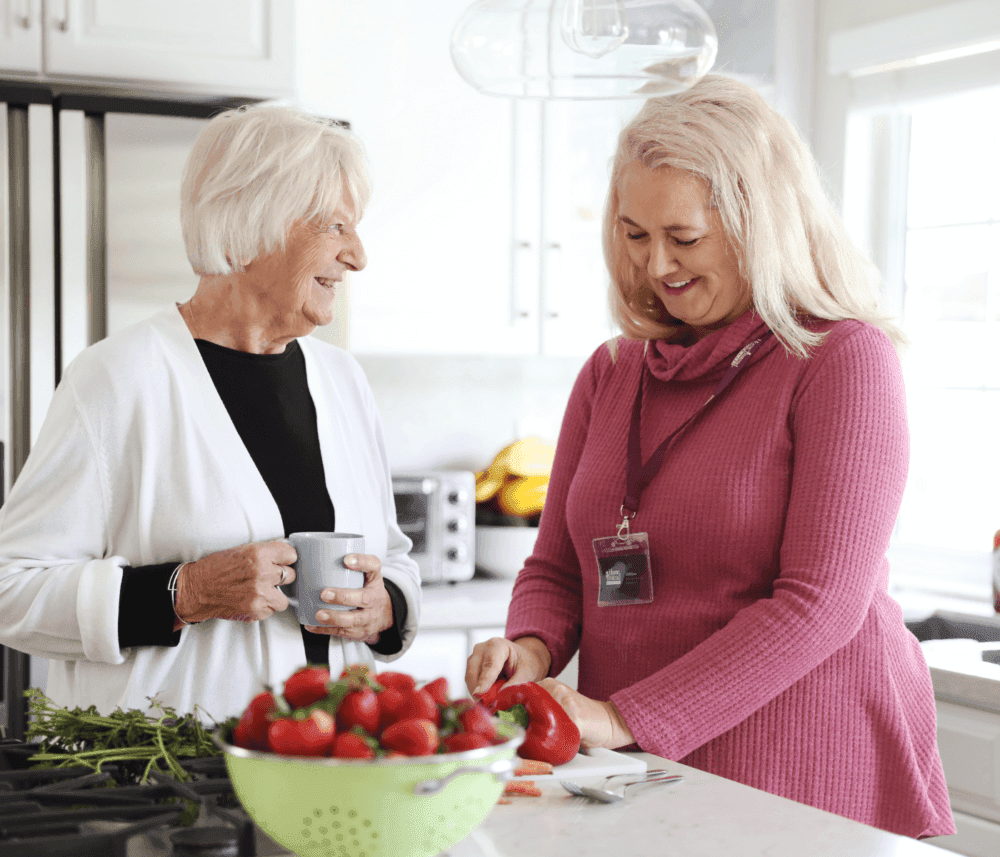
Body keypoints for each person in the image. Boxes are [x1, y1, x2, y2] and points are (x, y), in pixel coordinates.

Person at [466, 75, 954, 840]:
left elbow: (820, 603)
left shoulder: (841, 359)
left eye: (683, 237)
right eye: (634, 234)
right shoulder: (612, 371)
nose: (656, 264)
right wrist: (531, 646)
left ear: (760, 224)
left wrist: (619, 714)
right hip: (640, 764)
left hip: (799, 765)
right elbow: (558, 568)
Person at [0, 105, 421, 720]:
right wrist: (183, 592)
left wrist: (387, 609)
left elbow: (395, 559)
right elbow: (12, 589)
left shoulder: (341, 380)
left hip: (325, 767)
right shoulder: (118, 378)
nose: (357, 256)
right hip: (164, 782)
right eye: (335, 226)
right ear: (258, 224)